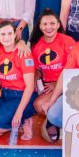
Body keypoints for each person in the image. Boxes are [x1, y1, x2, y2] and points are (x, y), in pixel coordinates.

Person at [0, 20, 36, 142]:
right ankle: (20, 122)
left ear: (15, 34)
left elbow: (30, 87)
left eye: (10, 33)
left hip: (22, 96)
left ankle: (25, 118)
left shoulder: (23, 53)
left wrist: (19, 113)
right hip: (6, 95)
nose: (6, 37)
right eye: (3, 34)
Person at [30, 9, 75, 142]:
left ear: (58, 25)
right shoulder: (37, 45)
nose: (48, 27)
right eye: (45, 24)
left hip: (67, 83)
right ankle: (54, 120)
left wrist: (57, 84)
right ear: (39, 26)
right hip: (48, 86)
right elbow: (37, 68)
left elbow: (74, 67)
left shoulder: (68, 41)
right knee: (38, 104)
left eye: (52, 23)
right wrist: (36, 77)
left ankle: (64, 124)